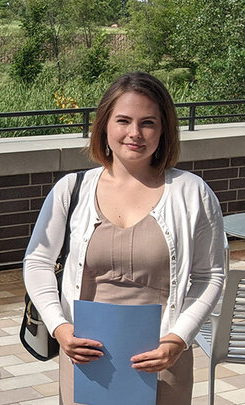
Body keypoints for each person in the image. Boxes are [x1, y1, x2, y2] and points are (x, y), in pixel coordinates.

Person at [23, 72, 225, 404]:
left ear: (164, 130)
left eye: (148, 122)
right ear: (104, 125)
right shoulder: (71, 191)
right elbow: (38, 262)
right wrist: (60, 327)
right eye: (123, 120)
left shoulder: (192, 194)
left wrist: (178, 338)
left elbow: (210, 275)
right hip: (86, 362)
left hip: (163, 364)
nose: (135, 133)